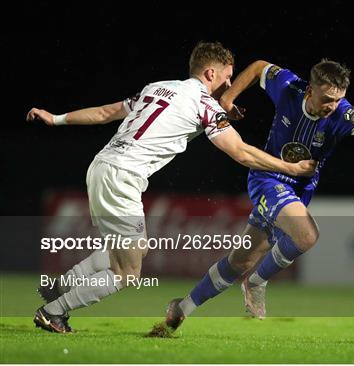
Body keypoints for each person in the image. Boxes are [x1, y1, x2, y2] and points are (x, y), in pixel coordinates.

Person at [26, 43, 316, 334]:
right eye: (227, 77)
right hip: (123, 177)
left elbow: (106, 112)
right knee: (127, 272)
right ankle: (54, 311)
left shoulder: (157, 87)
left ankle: (60, 287)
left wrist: (57, 118)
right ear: (211, 72)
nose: (230, 84)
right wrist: (290, 168)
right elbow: (241, 152)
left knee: (135, 249)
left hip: (102, 166)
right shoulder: (205, 104)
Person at [150, 58, 354, 336]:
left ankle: (182, 308)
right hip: (267, 178)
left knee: (241, 261)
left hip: (298, 191)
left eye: (337, 100)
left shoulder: (342, 114)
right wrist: (227, 99)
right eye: (326, 99)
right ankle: (257, 282)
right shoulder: (288, 86)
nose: (331, 107)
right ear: (310, 90)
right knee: (307, 234)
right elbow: (259, 66)